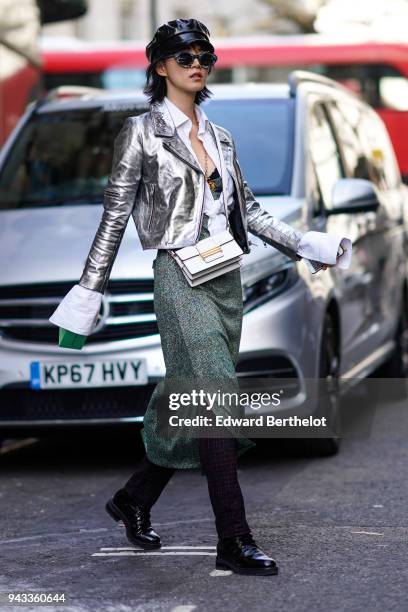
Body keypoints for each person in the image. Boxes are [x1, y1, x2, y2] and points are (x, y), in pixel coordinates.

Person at [49, 18, 347, 576]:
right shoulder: (140, 133)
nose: (194, 61)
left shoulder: (221, 136)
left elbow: (249, 212)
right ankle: (233, 539)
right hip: (180, 280)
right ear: (159, 66)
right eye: (180, 54)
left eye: (202, 53)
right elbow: (115, 216)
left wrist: (306, 243)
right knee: (216, 399)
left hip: (226, 281)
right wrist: (88, 292)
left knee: (186, 404)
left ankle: (135, 498)